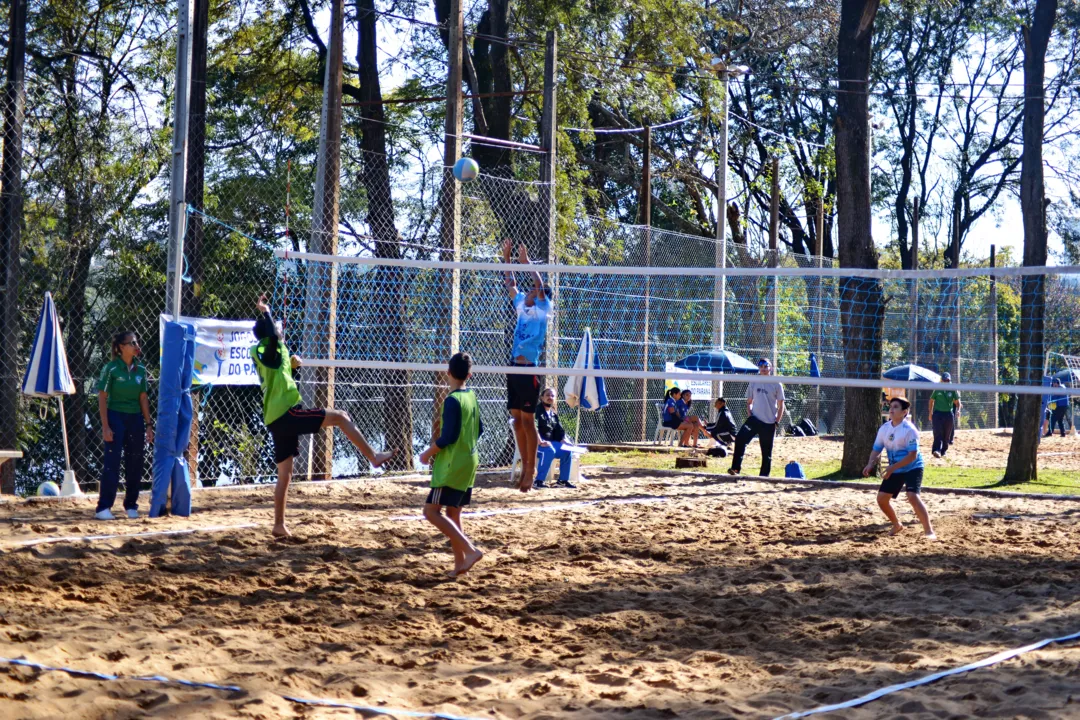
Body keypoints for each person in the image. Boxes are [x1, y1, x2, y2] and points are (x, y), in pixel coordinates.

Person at [251, 294, 393, 537]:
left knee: (285, 474)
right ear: (268, 331)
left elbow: (278, 372)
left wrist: (291, 366)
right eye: (276, 327)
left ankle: (278, 524)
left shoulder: (264, 351)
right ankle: (373, 457)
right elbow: (274, 338)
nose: (279, 329)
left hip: (275, 418)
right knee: (341, 416)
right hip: (288, 413)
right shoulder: (269, 345)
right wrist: (265, 310)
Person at [420, 352, 484, 577]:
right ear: (470, 375)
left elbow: (448, 437)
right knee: (453, 514)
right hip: (470, 461)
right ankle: (460, 566)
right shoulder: (471, 396)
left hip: (452, 465)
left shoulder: (452, 400)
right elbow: (480, 429)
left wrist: (427, 453)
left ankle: (471, 550)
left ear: (447, 373)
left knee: (430, 511)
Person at [502, 240, 552, 492]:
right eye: (530, 291)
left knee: (529, 422)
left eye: (534, 291)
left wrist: (527, 263)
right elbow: (510, 283)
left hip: (529, 368)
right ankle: (524, 466)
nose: (531, 291)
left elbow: (540, 285)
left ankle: (531, 469)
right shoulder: (522, 304)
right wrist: (507, 256)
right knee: (518, 422)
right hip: (513, 368)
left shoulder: (543, 309)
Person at [95, 331, 154, 520]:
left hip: (135, 418)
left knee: (135, 461)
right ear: (121, 347)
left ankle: (131, 505)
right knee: (112, 463)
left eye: (137, 342)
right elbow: (102, 397)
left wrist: (148, 424)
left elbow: (143, 397)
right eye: (131, 343)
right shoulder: (110, 368)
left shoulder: (141, 370)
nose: (136, 345)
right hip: (116, 417)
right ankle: (103, 508)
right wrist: (105, 426)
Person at [863, 395, 936, 540]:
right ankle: (897, 524)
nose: (891, 410)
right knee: (882, 499)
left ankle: (929, 531)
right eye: (891, 407)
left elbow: (912, 455)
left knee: (912, 496)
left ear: (904, 412)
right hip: (896, 468)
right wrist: (870, 463)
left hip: (913, 467)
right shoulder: (884, 428)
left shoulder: (909, 430)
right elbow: (877, 449)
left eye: (895, 407)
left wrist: (891, 468)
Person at [728, 358, 785, 477]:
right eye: (761, 366)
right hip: (754, 420)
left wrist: (776, 422)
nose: (763, 369)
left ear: (771, 368)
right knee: (740, 439)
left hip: (769, 422)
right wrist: (750, 414)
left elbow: (781, 405)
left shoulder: (776, 383)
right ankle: (735, 469)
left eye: (766, 366)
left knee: (766, 452)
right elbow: (749, 401)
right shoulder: (754, 381)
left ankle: (764, 476)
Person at [535, 387, 576, 489]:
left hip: (551, 444)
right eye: (547, 395)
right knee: (549, 450)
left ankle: (562, 481)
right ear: (541, 397)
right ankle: (538, 481)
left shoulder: (553, 414)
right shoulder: (536, 411)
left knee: (567, 451)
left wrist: (566, 442)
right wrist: (540, 442)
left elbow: (560, 433)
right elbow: (532, 427)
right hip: (535, 445)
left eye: (552, 395)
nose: (550, 397)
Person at [928, 372, 961, 458]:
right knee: (937, 432)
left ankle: (944, 451)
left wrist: (958, 410)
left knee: (947, 434)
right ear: (941, 380)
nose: (946, 382)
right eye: (945, 380)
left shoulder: (953, 389)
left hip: (948, 414)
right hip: (937, 413)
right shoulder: (937, 389)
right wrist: (930, 413)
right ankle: (936, 450)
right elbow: (931, 400)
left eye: (948, 380)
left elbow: (957, 402)